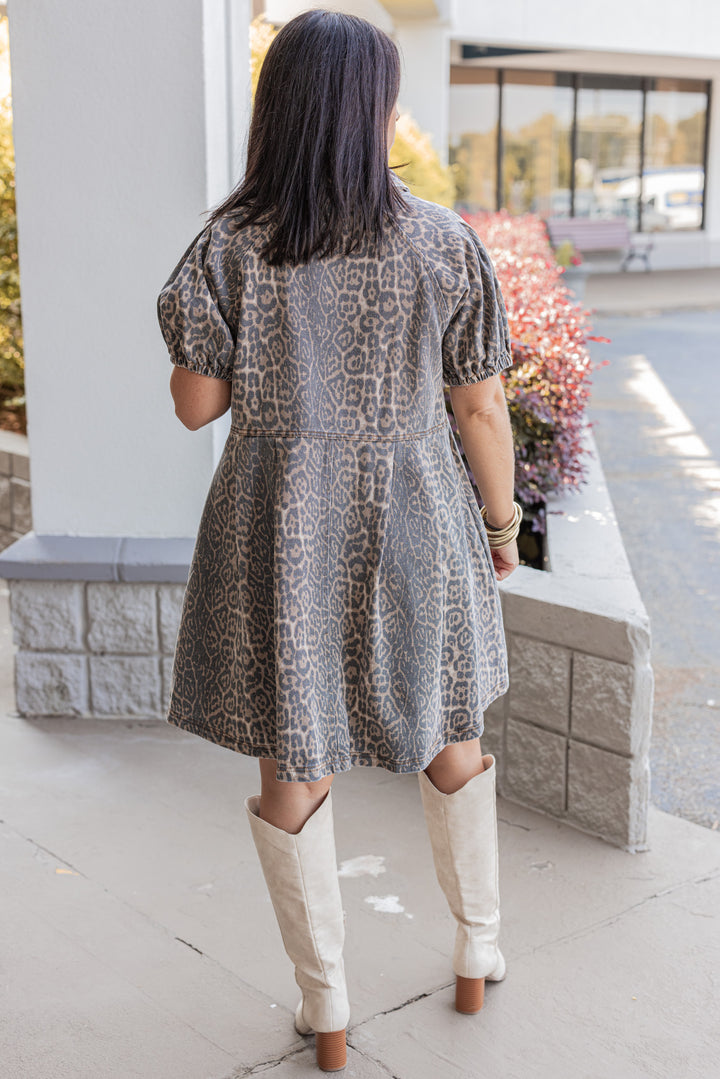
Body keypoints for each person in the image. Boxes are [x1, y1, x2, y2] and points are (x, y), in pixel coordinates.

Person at [156, 9, 520, 1073]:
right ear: (373, 112)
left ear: (280, 110)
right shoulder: (441, 240)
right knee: (450, 727)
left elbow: (194, 406)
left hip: (283, 520)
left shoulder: (227, 243)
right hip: (415, 506)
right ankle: (476, 948)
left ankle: (327, 1014)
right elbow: (482, 411)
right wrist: (499, 527)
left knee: (296, 759)